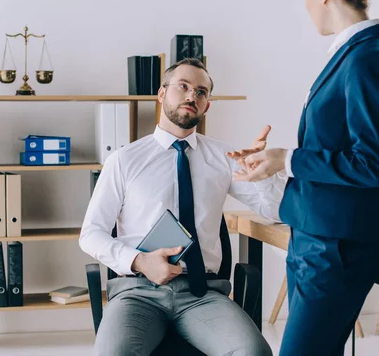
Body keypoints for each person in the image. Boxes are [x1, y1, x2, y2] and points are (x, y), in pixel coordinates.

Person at [229, 0, 379, 355]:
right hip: (315, 238)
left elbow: (371, 164)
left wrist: (287, 159)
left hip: (336, 248)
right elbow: (335, 152)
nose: (306, 3)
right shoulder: (350, 54)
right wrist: (275, 165)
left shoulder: (368, 58)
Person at [79, 58, 286, 356]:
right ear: (162, 94)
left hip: (202, 294)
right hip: (138, 292)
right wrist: (139, 261)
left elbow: (276, 210)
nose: (192, 96)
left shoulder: (223, 158)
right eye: (183, 87)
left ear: (207, 106)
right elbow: (91, 234)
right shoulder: (124, 160)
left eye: (201, 92)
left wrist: (265, 173)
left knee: (253, 352)